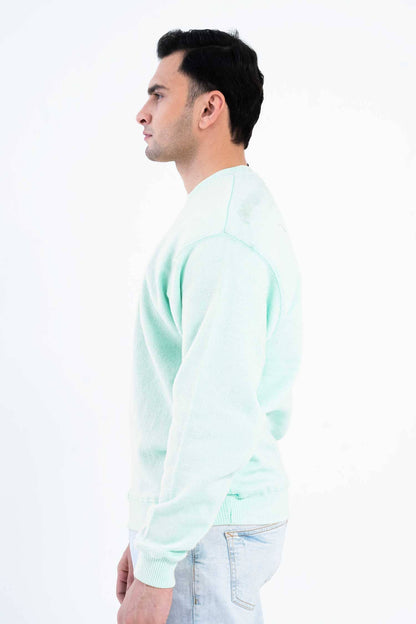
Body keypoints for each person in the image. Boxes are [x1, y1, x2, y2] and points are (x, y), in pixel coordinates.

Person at [116, 28, 303, 624]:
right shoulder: (223, 215)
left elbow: (214, 413)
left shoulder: (222, 236)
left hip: (208, 532)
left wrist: (160, 557)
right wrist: (154, 533)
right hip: (202, 526)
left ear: (209, 108)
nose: (142, 113)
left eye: (159, 94)